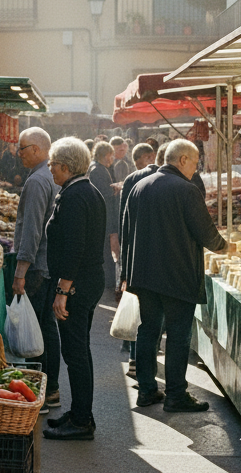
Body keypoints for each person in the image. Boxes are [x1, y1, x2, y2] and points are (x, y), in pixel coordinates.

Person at [121, 139, 227, 412]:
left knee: (148, 330)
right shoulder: (186, 190)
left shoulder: (138, 187)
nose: (196, 168)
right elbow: (205, 232)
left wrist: (126, 273)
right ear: (182, 160)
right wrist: (225, 246)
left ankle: (146, 390)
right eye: (194, 162)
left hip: (143, 275)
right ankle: (176, 395)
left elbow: (126, 235)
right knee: (178, 335)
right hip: (177, 275)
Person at [42, 137, 106, 440]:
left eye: (53, 164)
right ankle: (81, 413)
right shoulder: (83, 191)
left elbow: (74, 246)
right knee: (78, 350)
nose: (50, 169)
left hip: (78, 285)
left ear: (66, 166)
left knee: (75, 351)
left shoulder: (75, 195)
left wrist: (63, 291)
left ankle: (81, 421)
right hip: (87, 281)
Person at [11, 128, 61, 412]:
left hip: (36, 268)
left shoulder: (38, 181)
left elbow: (31, 232)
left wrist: (20, 272)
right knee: (45, 327)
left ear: (38, 149)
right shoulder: (47, 177)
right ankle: (50, 388)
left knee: (38, 330)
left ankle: (42, 389)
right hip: (46, 265)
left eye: (23, 148)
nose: (19, 154)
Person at [116, 142, 158, 378]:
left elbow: (124, 222)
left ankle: (135, 359)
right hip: (152, 258)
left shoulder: (131, 180)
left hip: (134, 255)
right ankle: (140, 363)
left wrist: (124, 263)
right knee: (147, 318)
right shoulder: (159, 181)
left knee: (139, 312)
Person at [88, 142, 120, 288]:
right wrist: (116, 188)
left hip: (102, 216)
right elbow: (104, 193)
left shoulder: (97, 168)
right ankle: (107, 282)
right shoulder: (97, 170)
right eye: (111, 155)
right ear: (106, 155)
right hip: (102, 217)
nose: (112, 158)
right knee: (105, 251)